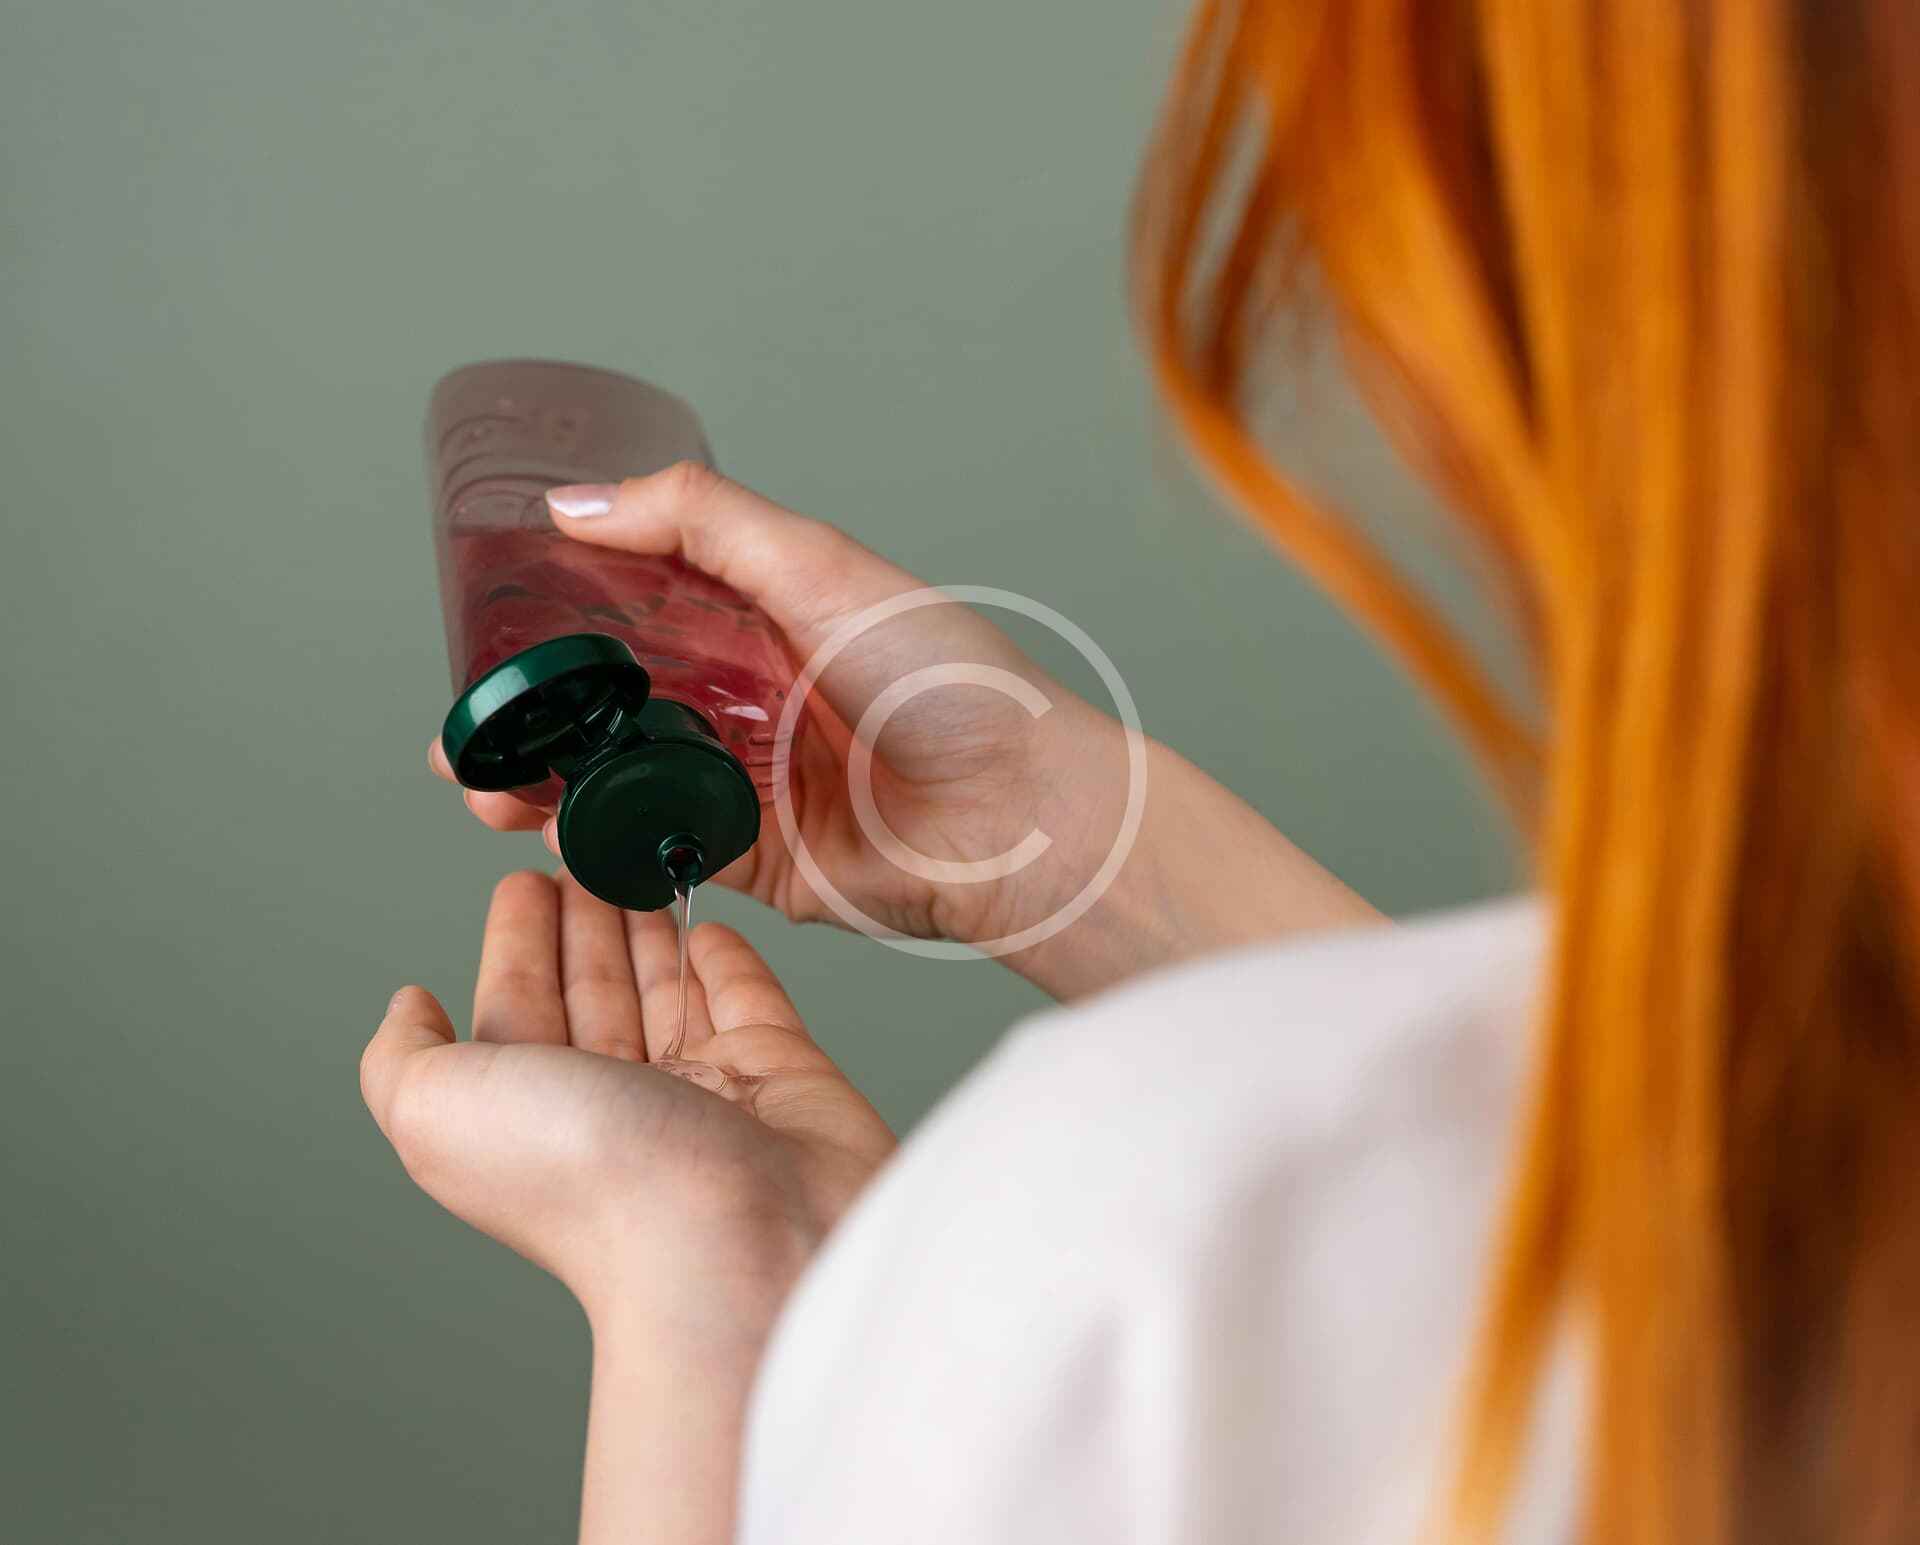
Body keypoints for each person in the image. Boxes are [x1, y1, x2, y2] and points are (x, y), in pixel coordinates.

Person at [360, 0, 1920, 1541]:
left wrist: (714, 1292)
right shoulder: (1805, 1172)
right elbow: (1654, 1223)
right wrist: (1022, 823)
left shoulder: (1138, 1271)